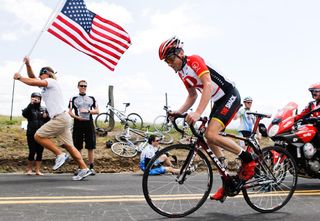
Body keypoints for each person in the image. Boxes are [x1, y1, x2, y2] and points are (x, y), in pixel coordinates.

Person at [159, 36, 257, 202]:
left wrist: (197, 112)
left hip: (229, 94)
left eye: (170, 59)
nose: (169, 64)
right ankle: (226, 178)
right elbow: (191, 95)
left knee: (211, 134)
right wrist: (178, 112)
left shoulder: (194, 61)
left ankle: (248, 160)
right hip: (217, 101)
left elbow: (208, 85)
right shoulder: (182, 73)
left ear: (180, 53)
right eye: (166, 62)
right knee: (208, 138)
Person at [13, 56, 92, 181]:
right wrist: (28, 64)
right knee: (70, 146)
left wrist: (20, 78)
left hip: (59, 118)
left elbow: (33, 81)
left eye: (41, 74)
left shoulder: (51, 82)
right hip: (64, 118)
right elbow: (33, 78)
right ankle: (84, 168)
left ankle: (60, 154)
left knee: (38, 136)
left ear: (47, 74)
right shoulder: (45, 85)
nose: (40, 76)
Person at [69, 80, 99, 175]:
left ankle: (91, 167)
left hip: (89, 123)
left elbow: (97, 111)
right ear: (78, 87)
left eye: (85, 86)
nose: (83, 87)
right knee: (78, 146)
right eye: (81, 86)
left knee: (90, 146)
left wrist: (88, 111)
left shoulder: (92, 98)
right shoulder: (73, 98)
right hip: (78, 123)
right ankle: (80, 167)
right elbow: (70, 112)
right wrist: (77, 117)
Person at [22, 92, 49, 175]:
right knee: (32, 151)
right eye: (34, 97)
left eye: (38, 98)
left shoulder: (44, 108)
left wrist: (47, 117)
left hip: (41, 133)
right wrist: (31, 104)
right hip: (31, 133)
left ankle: (37, 170)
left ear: (40, 99)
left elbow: (48, 121)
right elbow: (24, 114)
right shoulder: (29, 108)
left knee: (40, 151)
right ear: (31, 98)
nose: (36, 99)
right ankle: (29, 169)